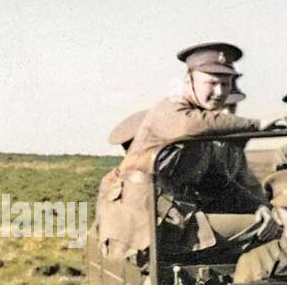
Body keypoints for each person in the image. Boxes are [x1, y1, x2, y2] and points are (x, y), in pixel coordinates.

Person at [100, 42, 264, 258]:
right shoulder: (171, 111)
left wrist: (259, 207)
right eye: (212, 83)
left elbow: (220, 183)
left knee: (262, 223)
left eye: (225, 84)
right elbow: (192, 125)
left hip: (171, 220)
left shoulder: (201, 131)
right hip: (144, 226)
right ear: (189, 80)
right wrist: (254, 125)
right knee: (266, 230)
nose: (219, 92)